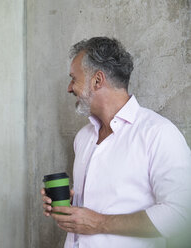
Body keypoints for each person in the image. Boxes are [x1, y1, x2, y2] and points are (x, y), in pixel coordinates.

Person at [41, 37, 191, 248]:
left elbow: (181, 214)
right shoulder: (83, 137)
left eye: (74, 79)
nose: (69, 88)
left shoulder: (159, 133)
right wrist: (66, 206)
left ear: (97, 80)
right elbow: (97, 205)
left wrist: (99, 223)